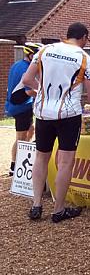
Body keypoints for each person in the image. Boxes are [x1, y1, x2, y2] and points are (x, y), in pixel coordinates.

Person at [20, 24, 90, 223]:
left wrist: (43, 92)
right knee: (65, 162)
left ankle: (36, 204)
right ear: (84, 37)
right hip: (68, 115)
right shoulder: (85, 59)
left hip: (43, 113)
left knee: (41, 157)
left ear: (67, 35)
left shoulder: (45, 50)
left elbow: (27, 79)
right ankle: (58, 209)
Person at [5, 42, 42, 175]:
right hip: (20, 105)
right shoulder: (26, 69)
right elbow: (30, 90)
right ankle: (14, 166)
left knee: (30, 131)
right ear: (31, 55)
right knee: (20, 137)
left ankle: (21, 159)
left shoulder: (18, 64)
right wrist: (44, 93)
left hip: (20, 104)